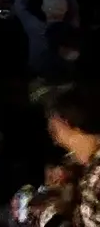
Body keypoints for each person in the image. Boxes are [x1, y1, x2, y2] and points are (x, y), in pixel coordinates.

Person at [47, 84, 100, 226]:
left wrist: (57, 209)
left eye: (55, 132)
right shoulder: (87, 170)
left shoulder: (95, 181)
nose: (56, 142)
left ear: (66, 123)